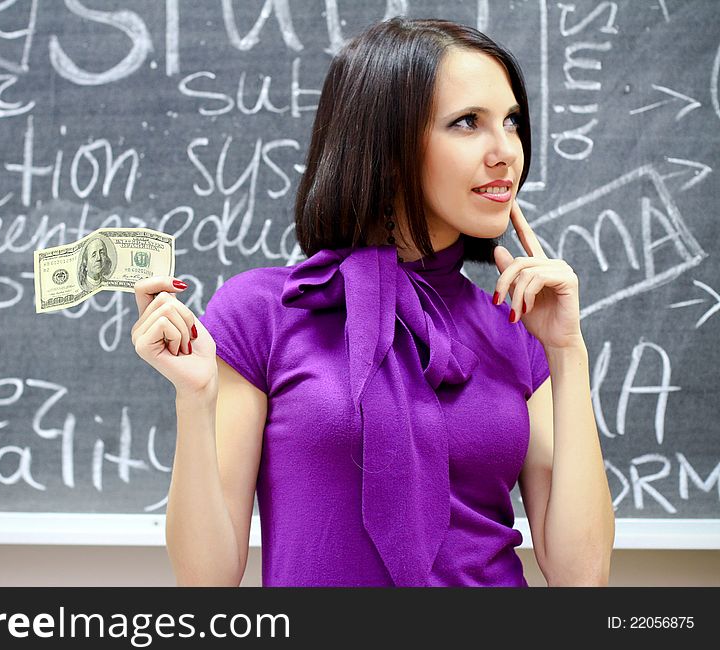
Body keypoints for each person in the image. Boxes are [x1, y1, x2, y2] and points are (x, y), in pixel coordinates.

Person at [131, 17, 615, 587]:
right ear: (385, 147)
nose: (505, 151)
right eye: (467, 123)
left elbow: (583, 578)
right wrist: (195, 398)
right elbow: (207, 579)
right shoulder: (265, 312)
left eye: (511, 122)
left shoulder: (515, 325)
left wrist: (566, 350)